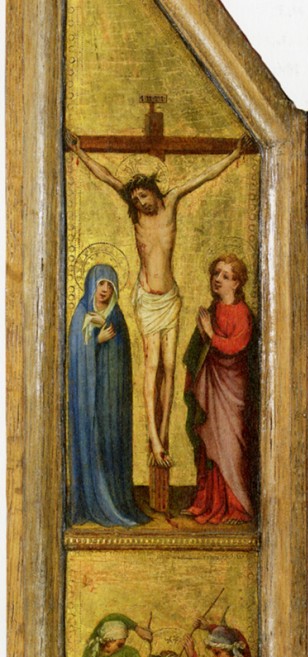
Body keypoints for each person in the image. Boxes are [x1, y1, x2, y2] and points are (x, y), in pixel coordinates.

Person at [65, 131, 249, 469]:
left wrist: (234, 156)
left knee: (170, 367)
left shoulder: (172, 202)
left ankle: (163, 432)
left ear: (154, 191)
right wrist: (80, 152)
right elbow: (107, 177)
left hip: (170, 299)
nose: (140, 202)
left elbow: (201, 177)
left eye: (143, 195)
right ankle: (153, 439)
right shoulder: (138, 218)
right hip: (147, 301)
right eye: (135, 199)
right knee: (151, 367)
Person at [68, 264, 150, 527]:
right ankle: (93, 501)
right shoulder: (81, 314)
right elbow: (75, 357)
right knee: (93, 442)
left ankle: (115, 499)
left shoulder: (116, 317)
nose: (104, 289)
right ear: (91, 284)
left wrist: (107, 335)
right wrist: (96, 341)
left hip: (111, 398)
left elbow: (122, 356)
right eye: (101, 283)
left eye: (110, 285)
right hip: (88, 398)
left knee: (111, 443)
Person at [183, 254, 255, 525]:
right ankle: (208, 502)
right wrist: (205, 333)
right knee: (209, 443)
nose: (218, 279)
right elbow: (206, 349)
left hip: (231, 390)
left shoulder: (242, 313)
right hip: (211, 386)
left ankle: (236, 506)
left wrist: (210, 334)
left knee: (229, 446)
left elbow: (235, 346)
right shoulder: (214, 310)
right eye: (216, 273)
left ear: (236, 283)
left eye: (225, 276)